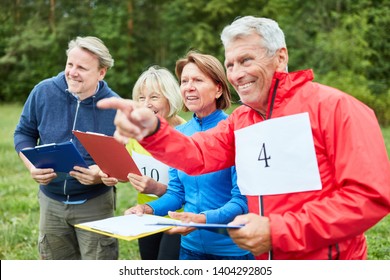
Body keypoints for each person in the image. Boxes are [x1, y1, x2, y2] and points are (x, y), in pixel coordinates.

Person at [97, 16, 390, 260]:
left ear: (281, 57)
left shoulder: (337, 108)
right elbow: (197, 154)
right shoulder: (243, 120)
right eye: (231, 64)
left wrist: (277, 231)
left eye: (246, 60)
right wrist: (153, 130)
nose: (236, 74)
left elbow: (370, 196)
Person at [126, 51, 253, 260]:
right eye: (184, 81)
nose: (189, 87)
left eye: (198, 80)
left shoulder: (235, 131)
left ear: (218, 89)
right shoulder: (180, 135)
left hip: (231, 252)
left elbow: (241, 201)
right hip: (189, 250)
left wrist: (201, 219)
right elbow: (177, 194)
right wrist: (147, 208)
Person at [14, 36, 119, 260]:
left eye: (82, 67)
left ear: (102, 72)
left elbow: (120, 162)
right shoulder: (43, 92)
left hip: (95, 205)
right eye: (70, 64)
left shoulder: (115, 107)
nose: (72, 72)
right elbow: (23, 133)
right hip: (50, 202)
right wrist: (32, 166)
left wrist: (100, 175)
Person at [100, 65, 185, 260]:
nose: (146, 104)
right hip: (144, 215)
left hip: (179, 218)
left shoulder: (186, 133)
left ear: (170, 98)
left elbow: (194, 189)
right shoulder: (135, 133)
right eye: (141, 98)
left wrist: (158, 188)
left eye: (154, 97)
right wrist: (110, 175)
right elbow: (124, 170)